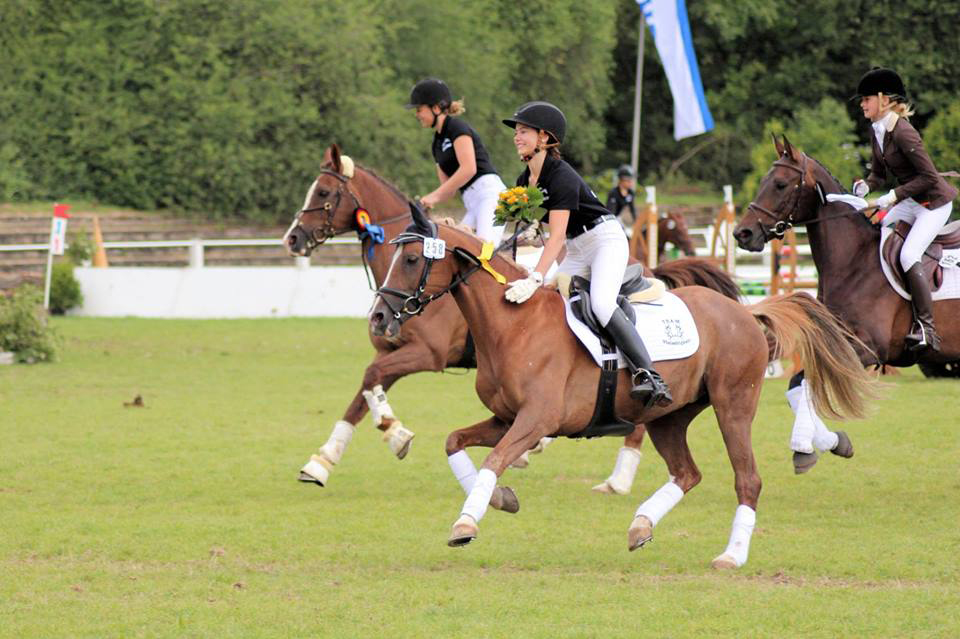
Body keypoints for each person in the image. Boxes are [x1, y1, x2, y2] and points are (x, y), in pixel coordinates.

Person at [500, 101, 671, 407]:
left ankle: (649, 375)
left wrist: (537, 276)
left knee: (602, 305)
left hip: (604, 240)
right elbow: (539, 232)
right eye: (517, 131)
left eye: (523, 131)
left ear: (544, 138)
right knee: (551, 300)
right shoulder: (524, 181)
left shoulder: (561, 176)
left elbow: (555, 240)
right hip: (577, 246)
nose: (517, 136)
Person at [853, 67, 957, 352]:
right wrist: (865, 186)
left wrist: (891, 197)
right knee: (879, 237)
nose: (862, 104)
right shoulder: (877, 131)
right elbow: (878, 175)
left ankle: (927, 328)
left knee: (909, 254)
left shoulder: (904, 132)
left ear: (884, 100)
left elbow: (929, 178)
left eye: (866, 99)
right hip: (911, 202)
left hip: (933, 205)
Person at [407, 78, 505, 245]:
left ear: (436, 108)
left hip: (489, 195)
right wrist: (425, 202)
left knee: (485, 249)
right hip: (472, 202)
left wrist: (433, 196)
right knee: (457, 248)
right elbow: (449, 191)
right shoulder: (436, 144)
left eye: (419, 109)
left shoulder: (457, 128)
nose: (417, 115)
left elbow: (469, 169)